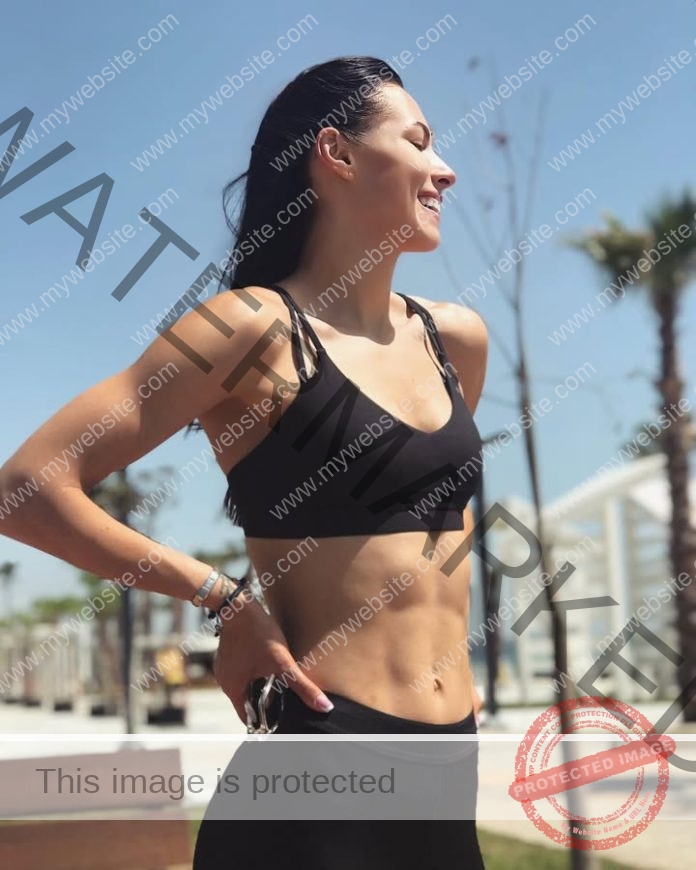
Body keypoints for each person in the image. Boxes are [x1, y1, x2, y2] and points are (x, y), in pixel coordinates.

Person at [0, 56, 488, 867]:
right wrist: (224, 602)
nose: (446, 169)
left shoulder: (455, 339)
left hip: (450, 770)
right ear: (336, 154)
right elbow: (25, 488)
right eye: (418, 141)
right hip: (321, 765)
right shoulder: (251, 329)